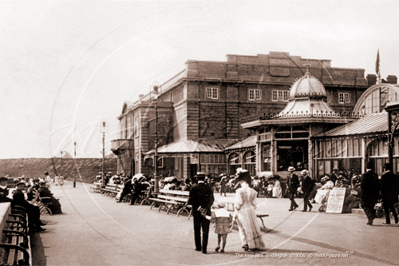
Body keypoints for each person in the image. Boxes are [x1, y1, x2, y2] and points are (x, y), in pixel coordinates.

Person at [234, 169, 265, 251]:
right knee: (253, 226)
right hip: (250, 209)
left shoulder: (239, 191)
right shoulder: (253, 191)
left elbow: (239, 203)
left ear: (241, 181)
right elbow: (255, 203)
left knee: (242, 227)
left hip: (242, 210)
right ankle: (255, 244)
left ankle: (245, 243)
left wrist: (236, 208)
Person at [187, 172, 214, 254]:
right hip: (206, 212)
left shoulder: (193, 188)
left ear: (196, 179)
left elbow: (190, 201)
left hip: (197, 212)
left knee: (197, 230)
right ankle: (204, 248)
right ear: (204, 179)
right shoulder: (209, 188)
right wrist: (205, 208)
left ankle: (198, 247)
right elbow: (212, 200)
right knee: (205, 230)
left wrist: (198, 207)